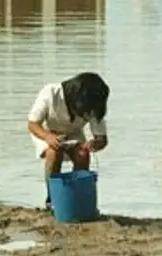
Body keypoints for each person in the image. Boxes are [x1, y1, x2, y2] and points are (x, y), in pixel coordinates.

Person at [27, 72, 110, 208]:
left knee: (82, 154)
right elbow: (33, 124)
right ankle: (52, 199)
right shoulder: (50, 93)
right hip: (47, 132)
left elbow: (102, 139)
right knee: (54, 152)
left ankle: (77, 195)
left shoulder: (93, 106)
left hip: (74, 134)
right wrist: (48, 137)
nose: (88, 113)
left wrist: (95, 144)